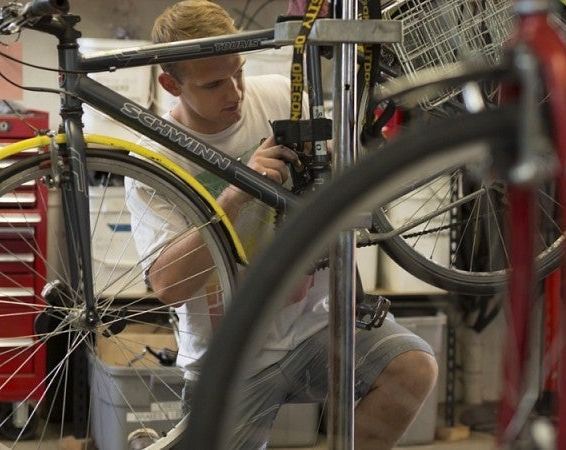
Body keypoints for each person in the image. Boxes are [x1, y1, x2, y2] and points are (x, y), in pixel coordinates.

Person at [127, 1, 438, 448]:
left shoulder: (277, 95)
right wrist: (238, 192)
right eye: (214, 84)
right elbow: (167, 286)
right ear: (170, 84)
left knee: (412, 368)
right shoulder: (154, 158)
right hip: (230, 355)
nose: (234, 92)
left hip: (314, 328)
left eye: (237, 72)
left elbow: (332, 185)